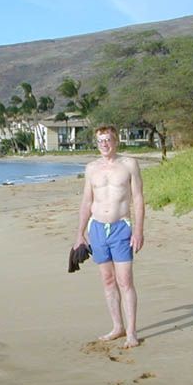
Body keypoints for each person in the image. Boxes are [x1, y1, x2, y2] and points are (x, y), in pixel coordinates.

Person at [72, 126, 145, 348]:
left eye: (108, 140)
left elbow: (138, 199)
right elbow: (86, 201)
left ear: (116, 141)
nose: (104, 144)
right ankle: (117, 327)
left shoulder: (129, 164)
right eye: (100, 141)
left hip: (121, 228)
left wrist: (139, 231)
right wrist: (80, 233)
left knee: (125, 281)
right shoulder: (91, 168)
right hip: (97, 228)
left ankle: (131, 332)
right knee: (108, 280)